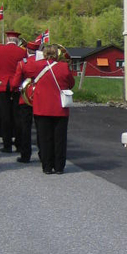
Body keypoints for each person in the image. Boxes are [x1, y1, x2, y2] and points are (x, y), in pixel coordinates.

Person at [22, 43, 75, 174]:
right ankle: (59, 167)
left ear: (44, 54)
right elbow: (71, 83)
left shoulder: (37, 65)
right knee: (60, 138)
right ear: (57, 55)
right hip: (60, 108)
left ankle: (47, 166)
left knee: (44, 138)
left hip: (42, 108)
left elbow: (25, 69)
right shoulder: (63, 66)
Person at [0, 31, 25, 153]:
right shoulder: (22, 52)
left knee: (5, 116)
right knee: (17, 116)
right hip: (17, 85)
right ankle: (19, 143)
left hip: (2, 84)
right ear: (17, 41)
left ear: (7, 39)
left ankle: (7, 144)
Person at [9, 40, 40, 163]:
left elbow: (15, 82)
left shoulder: (23, 63)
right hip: (39, 96)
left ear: (27, 50)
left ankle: (25, 154)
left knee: (25, 127)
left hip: (25, 98)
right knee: (40, 127)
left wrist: (13, 90)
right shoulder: (42, 63)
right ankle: (43, 153)